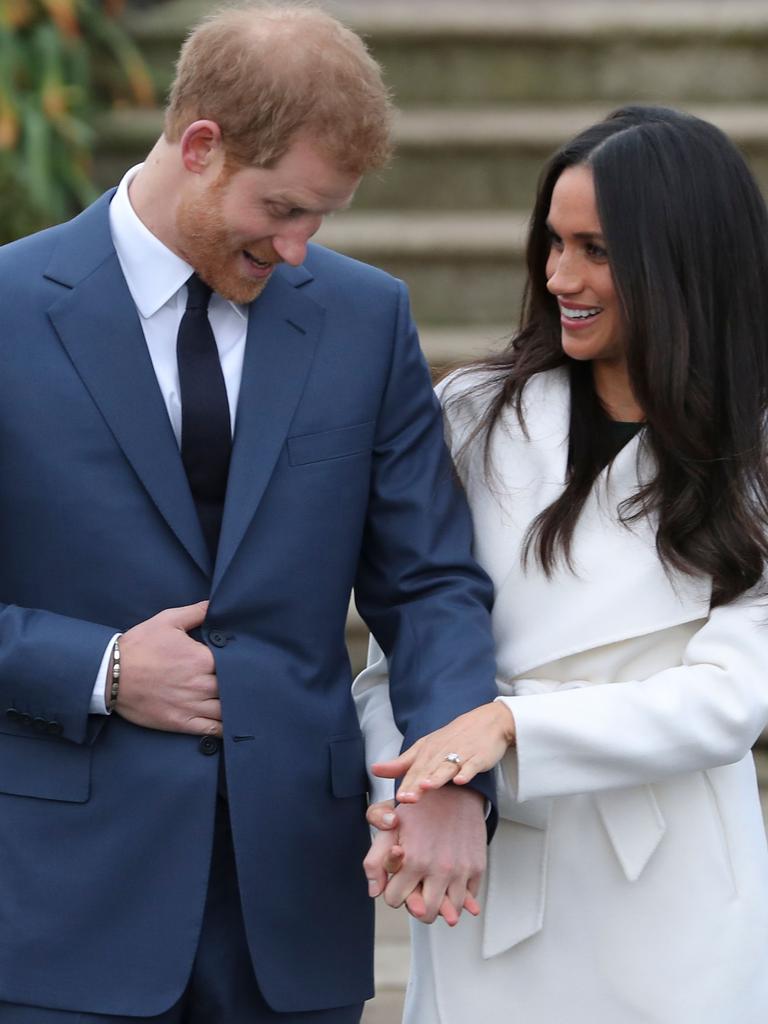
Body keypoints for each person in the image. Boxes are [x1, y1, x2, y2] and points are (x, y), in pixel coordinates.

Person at [0, 3, 499, 1021]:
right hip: (58, 904)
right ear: (200, 146)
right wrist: (97, 668)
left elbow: (431, 580)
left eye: (323, 218)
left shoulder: (368, 320)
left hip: (295, 911)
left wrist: (452, 767)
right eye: (282, 210)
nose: (301, 249)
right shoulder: (6, 310)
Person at [356, 105, 768, 1023]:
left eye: (597, 250)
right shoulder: (470, 413)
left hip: (672, 891)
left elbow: (732, 699)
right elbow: (398, 655)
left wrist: (507, 729)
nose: (559, 278)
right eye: (553, 242)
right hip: (484, 871)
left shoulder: (755, 455)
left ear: (682, 261)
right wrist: (422, 790)